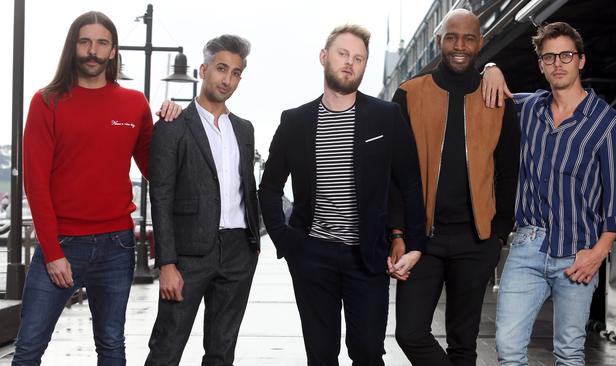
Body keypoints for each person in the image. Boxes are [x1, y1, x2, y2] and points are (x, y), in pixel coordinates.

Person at [16, 11, 180, 365]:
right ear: (73, 46)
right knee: (28, 349)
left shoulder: (134, 103)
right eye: (85, 41)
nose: (93, 50)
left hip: (116, 246)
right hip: (60, 244)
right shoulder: (46, 102)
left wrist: (173, 126)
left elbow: (157, 170)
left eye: (101, 43)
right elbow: (36, 184)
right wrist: (52, 252)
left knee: (111, 346)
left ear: (113, 50)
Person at [258, 24, 427, 365]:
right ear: (324, 57)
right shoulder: (295, 121)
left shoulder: (386, 116)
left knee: (367, 351)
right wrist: (285, 241)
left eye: (359, 58)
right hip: (311, 253)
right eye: (343, 54)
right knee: (321, 356)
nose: (350, 63)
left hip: (367, 255)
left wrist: (416, 243)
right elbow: (270, 186)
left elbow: (409, 183)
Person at [487, 22, 616, 365]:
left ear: (580, 60)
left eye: (566, 55)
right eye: (548, 57)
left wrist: (598, 253)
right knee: (507, 348)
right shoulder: (528, 109)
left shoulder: (607, 124)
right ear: (540, 64)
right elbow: (494, 94)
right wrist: (491, 68)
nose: (557, 63)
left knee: (568, 352)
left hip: (579, 252)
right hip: (526, 246)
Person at [388, 9, 520, 366]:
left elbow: (508, 172)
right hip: (422, 239)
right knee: (410, 333)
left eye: (469, 38)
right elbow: (395, 173)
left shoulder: (498, 100)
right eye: (451, 37)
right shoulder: (409, 94)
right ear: (439, 41)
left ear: (481, 42)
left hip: (476, 242)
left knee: (464, 344)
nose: (459, 46)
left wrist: (499, 233)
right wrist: (398, 232)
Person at [144, 35, 259, 366]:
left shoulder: (245, 129)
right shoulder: (173, 125)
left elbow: (246, 187)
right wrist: (166, 264)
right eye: (222, 69)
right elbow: (161, 196)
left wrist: (253, 245)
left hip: (238, 251)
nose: (227, 79)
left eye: (236, 72)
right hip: (188, 256)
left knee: (222, 353)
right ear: (204, 69)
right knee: (166, 348)